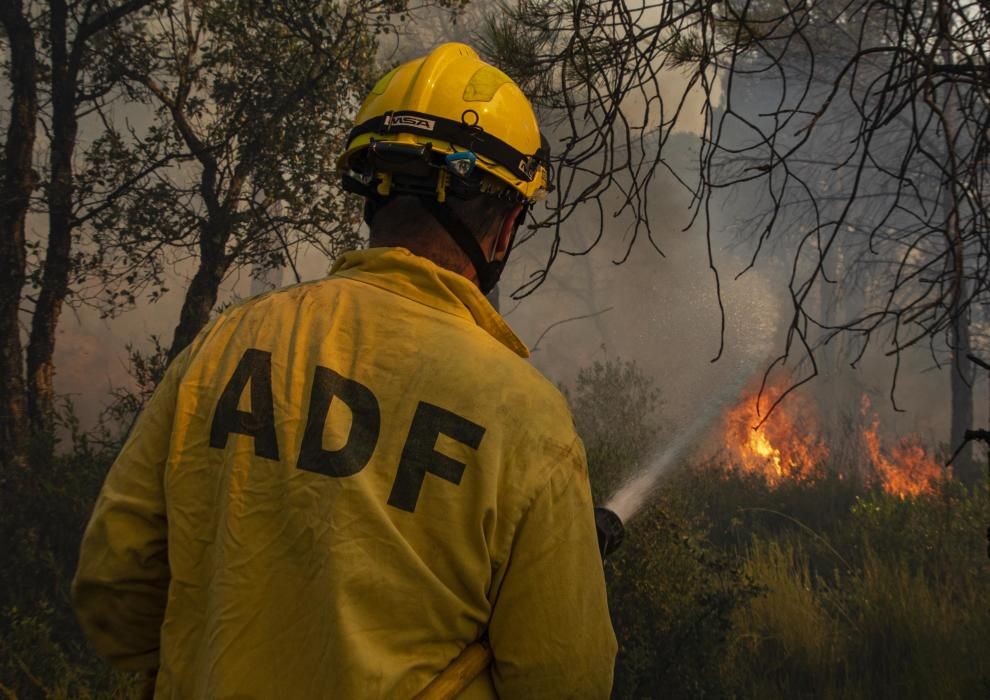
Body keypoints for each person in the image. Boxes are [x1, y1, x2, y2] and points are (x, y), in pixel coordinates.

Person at [73, 42, 617, 698]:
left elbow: (114, 592)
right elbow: (566, 680)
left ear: (370, 191)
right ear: (505, 225)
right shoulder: (525, 420)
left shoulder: (227, 344)